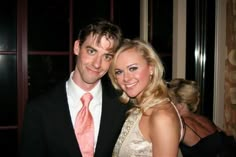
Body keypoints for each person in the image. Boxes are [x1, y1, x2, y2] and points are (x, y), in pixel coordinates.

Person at [19, 19, 130, 157]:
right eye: (91, 51)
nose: (97, 64)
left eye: (107, 56)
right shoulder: (39, 108)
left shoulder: (123, 105)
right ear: (77, 47)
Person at [108, 39, 184, 157]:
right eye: (119, 72)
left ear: (151, 68)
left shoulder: (162, 117)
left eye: (133, 68)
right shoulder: (140, 108)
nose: (126, 78)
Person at [167, 78, 236, 157]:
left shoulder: (179, 124)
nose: (168, 106)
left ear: (180, 106)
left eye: (170, 102)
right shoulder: (204, 119)